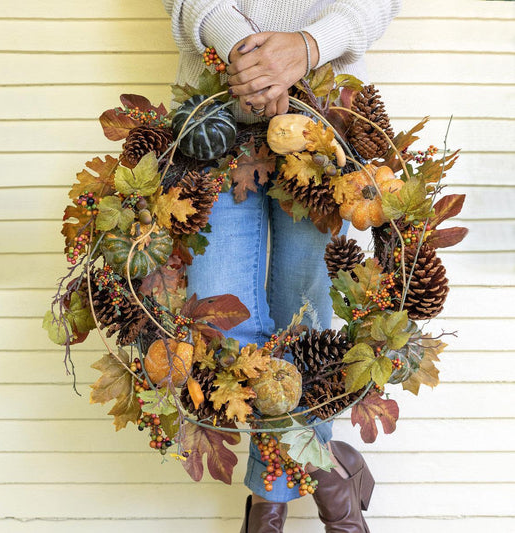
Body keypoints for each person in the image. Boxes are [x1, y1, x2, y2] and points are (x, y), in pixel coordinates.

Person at [162, 2, 402, 531]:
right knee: (224, 319)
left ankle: (269, 499)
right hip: (212, 114)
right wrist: (247, 56)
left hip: (321, 120)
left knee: (307, 315)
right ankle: (333, 478)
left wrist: (308, 46)